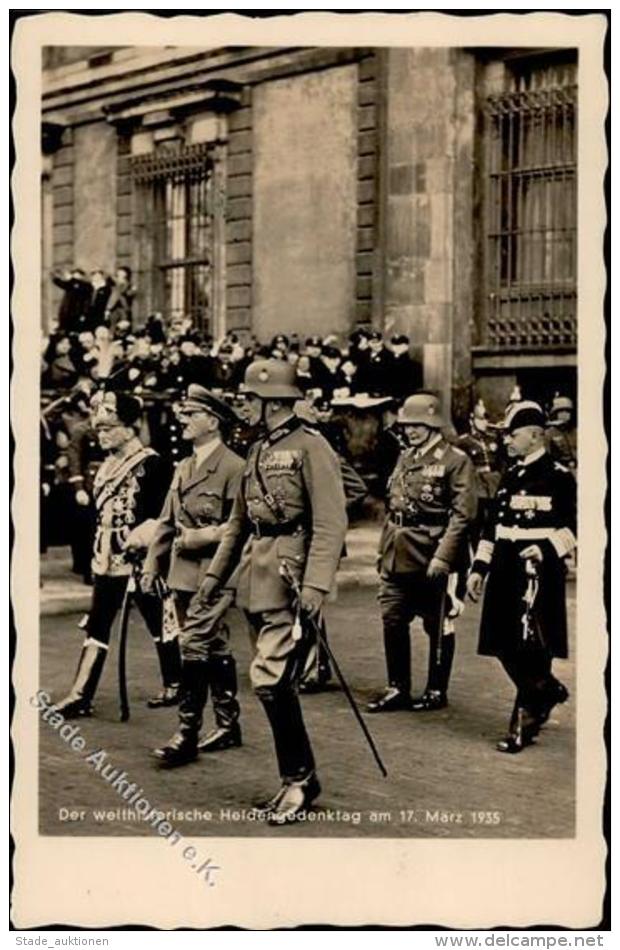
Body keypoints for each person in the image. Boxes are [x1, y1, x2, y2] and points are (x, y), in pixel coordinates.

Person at [197, 359, 347, 824]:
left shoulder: (311, 447)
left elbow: (330, 521)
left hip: (291, 573)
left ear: (274, 402)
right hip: (255, 575)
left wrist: (317, 584)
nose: (243, 406)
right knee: (271, 681)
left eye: (250, 399)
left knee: (270, 679)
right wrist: (213, 578)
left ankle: (299, 780)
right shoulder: (258, 448)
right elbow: (240, 522)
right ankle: (298, 777)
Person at [53, 391, 181, 718]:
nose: (103, 434)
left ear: (129, 428)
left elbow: (163, 515)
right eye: (101, 429)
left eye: (110, 428)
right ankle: (81, 693)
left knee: (159, 620)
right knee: (98, 622)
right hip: (107, 558)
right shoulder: (108, 465)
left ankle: (176, 683)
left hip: (143, 558)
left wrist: (145, 541)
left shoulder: (153, 464)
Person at [143, 385, 245, 767]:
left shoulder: (234, 468)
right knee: (213, 644)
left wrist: (198, 537)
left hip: (214, 575)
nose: (182, 420)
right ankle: (228, 723)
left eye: (191, 414)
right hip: (183, 575)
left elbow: (238, 528)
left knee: (194, 647)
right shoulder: (184, 466)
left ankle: (186, 732)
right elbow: (167, 522)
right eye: (183, 414)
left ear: (213, 421)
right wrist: (154, 563)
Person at [466, 401, 576, 754]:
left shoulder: (558, 476)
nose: (507, 442)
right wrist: (479, 568)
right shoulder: (510, 475)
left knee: (533, 644)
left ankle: (524, 721)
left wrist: (545, 548)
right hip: (505, 567)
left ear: (534, 435)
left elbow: (577, 524)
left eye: (513, 435)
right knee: (500, 640)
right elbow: (492, 527)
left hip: (539, 569)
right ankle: (546, 690)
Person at [367, 392, 477, 713]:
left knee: (437, 621)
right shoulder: (406, 457)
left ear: (433, 425)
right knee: (392, 617)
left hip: (432, 551)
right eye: (407, 425)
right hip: (398, 550)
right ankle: (397, 687)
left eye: (418, 425)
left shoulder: (455, 460)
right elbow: (395, 508)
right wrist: (383, 551)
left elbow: (463, 515)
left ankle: (436, 689)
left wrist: (444, 557)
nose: (411, 430)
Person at [545, 394, 577, 474]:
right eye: (561, 411)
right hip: (561, 469)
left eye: (567, 411)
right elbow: (547, 456)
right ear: (555, 414)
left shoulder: (576, 430)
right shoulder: (549, 433)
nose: (565, 414)